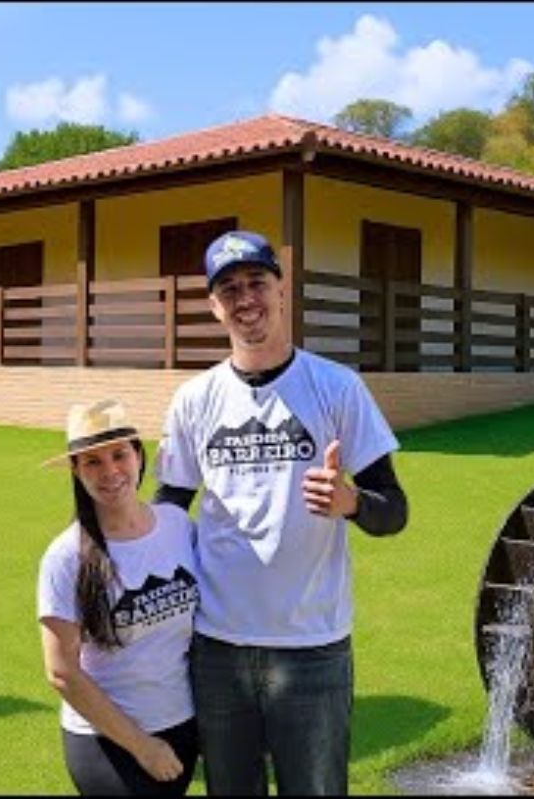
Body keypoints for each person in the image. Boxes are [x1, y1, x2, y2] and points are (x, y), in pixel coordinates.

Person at [153, 230, 409, 796]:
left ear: (280, 288)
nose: (246, 299)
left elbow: (395, 510)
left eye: (256, 283)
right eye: (230, 290)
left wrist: (352, 503)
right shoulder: (194, 400)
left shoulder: (337, 387)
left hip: (313, 646)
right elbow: (169, 507)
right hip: (217, 646)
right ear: (214, 306)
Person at [37, 399, 201, 796]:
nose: (110, 471)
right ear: (76, 471)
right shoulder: (66, 557)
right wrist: (142, 747)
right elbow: (62, 672)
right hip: (106, 740)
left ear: (138, 456)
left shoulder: (179, 526)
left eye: (118, 455)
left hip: (180, 722)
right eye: (91, 462)